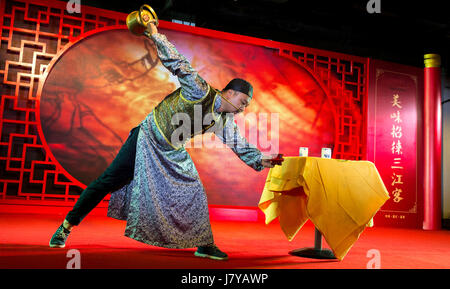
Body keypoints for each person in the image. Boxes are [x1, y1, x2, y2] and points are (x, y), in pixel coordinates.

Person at [49, 19, 283, 260]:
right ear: (231, 93)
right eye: (243, 102)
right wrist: (154, 33)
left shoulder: (224, 119)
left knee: (195, 191)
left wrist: (262, 160)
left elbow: (238, 143)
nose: (243, 109)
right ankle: (66, 226)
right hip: (147, 137)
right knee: (108, 180)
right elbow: (178, 63)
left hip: (171, 151)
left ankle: (204, 244)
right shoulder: (200, 90)